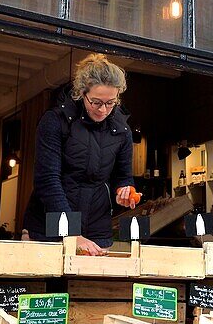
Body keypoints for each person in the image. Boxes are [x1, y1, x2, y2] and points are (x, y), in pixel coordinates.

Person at [22, 54, 138, 255]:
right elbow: (47, 180)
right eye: (96, 102)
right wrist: (72, 233)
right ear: (81, 93)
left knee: (88, 286)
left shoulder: (122, 131)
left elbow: (123, 176)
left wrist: (124, 192)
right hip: (48, 226)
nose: (103, 110)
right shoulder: (55, 121)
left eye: (110, 103)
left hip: (96, 228)